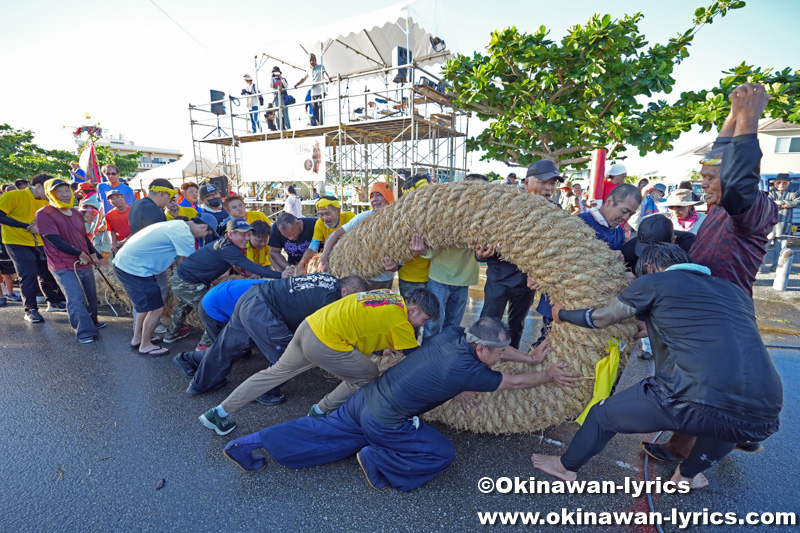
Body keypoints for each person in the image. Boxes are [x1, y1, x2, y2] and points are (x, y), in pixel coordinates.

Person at [221, 317, 581, 491]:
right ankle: (378, 459)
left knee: (321, 429)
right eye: (499, 352)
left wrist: (532, 359)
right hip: (387, 419)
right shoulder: (471, 371)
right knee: (441, 453)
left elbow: (504, 355)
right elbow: (514, 382)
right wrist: (546, 374)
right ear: (479, 349)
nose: (504, 355)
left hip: (364, 400)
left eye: (506, 349)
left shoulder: (454, 334)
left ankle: (248, 443)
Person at [534, 243, 782, 491]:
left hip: (689, 396)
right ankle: (686, 477)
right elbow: (702, 333)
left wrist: (562, 314)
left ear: (650, 267)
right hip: (766, 408)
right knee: (730, 425)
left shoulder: (655, 281)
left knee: (601, 415)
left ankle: (565, 467)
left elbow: (599, 318)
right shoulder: (734, 291)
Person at [642, 82, 780, 464]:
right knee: (709, 377)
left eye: (708, 182)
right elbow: (720, 161)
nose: (703, 188)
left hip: (720, 311)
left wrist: (750, 118)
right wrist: (732, 116)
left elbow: (736, 178)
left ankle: (691, 446)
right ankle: (724, 437)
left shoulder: (749, 209)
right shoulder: (721, 205)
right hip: (707, 305)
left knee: (703, 381)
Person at [205, 287, 440, 435]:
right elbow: (420, 359)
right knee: (367, 374)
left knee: (274, 374)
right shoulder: (401, 320)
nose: (422, 325)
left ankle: (219, 412)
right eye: (424, 319)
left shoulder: (387, 295)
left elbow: (364, 322)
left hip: (310, 327)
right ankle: (321, 411)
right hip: (325, 342)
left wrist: (381, 349)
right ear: (414, 308)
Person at [181, 273, 367, 400]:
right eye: (352, 299)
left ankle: (199, 384)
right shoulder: (332, 300)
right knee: (288, 357)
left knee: (226, 346)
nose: (351, 305)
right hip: (263, 310)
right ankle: (266, 393)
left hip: (250, 297)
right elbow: (329, 333)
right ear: (345, 291)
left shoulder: (327, 279)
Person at [164, 218, 283, 345]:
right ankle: (205, 346)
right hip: (188, 283)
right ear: (231, 233)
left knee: (183, 306)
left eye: (248, 234)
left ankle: (171, 335)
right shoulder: (227, 248)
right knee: (212, 312)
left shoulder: (226, 244)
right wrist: (280, 275)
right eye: (243, 234)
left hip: (184, 279)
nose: (247, 238)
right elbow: (250, 266)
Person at [112, 217, 213, 356]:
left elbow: (179, 260)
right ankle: (145, 345)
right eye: (207, 234)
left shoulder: (176, 226)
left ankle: (137, 339)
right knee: (156, 308)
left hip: (126, 265)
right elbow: (189, 262)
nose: (204, 237)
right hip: (134, 269)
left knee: (144, 308)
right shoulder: (185, 234)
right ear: (203, 227)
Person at [35, 178, 106, 343]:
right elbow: (55, 241)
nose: (64, 195)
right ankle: (84, 332)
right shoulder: (44, 214)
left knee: (90, 296)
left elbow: (83, 236)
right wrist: (80, 253)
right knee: (75, 297)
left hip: (84, 261)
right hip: (62, 264)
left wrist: (95, 254)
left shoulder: (75, 212)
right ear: (50, 194)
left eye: (66, 190)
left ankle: (92, 322)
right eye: (58, 191)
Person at [0, 173, 65, 322]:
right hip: (16, 241)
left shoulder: (47, 201)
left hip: (40, 241)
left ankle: (53, 302)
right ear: (38, 186)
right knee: (28, 274)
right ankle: (30, 310)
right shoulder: (14, 196)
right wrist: (27, 226)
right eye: (48, 189)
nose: (51, 194)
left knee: (47, 272)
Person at [318, 183, 395, 289]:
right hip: (366, 277)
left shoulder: (397, 219)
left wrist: (395, 267)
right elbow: (335, 233)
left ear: (388, 196)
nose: (375, 199)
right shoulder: (364, 217)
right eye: (372, 196)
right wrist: (324, 259)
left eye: (379, 195)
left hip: (387, 277)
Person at [298, 196, 355, 271]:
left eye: (328, 214)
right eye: (321, 214)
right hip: (330, 258)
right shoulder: (319, 223)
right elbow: (313, 247)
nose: (324, 218)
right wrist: (301, 265)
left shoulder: (350, 217)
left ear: (338, 211)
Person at [764, 173, 797, 271]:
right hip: (770, 226)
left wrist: (782, 203)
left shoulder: (794, 192)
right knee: (763, 248)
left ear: (789, 182)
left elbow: (796, 202)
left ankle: (776, 268)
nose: (781, 185)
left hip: (784, 225)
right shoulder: (771, 192)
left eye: (784, 183)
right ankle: (760, 267)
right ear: (775, 183)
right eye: (779, 182)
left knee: (781, 250)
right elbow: (768, 203)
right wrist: (786, 204)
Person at [294, 54, 331, 126]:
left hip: (320, 91)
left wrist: (328, 78)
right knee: (314, 109)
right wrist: (297, 84)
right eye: (310, 60)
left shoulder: (320, 67)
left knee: (320, 108)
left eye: (313, 60)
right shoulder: (308, 69)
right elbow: (303, 78)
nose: (311, 62)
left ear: (315, 60)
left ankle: (321, 124)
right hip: (313, 92)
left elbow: (325, 74)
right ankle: (318, 124)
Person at [104, 190, 131, 254]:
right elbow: (111, 230)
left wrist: (126, 240)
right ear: (109, 202)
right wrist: (113, 244)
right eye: (112, 199)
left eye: (118, 197)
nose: (116, 200)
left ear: (123, 198)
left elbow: (139, 228)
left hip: (136, 241)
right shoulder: (109, 215)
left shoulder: (133, 210)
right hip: (121, 245)